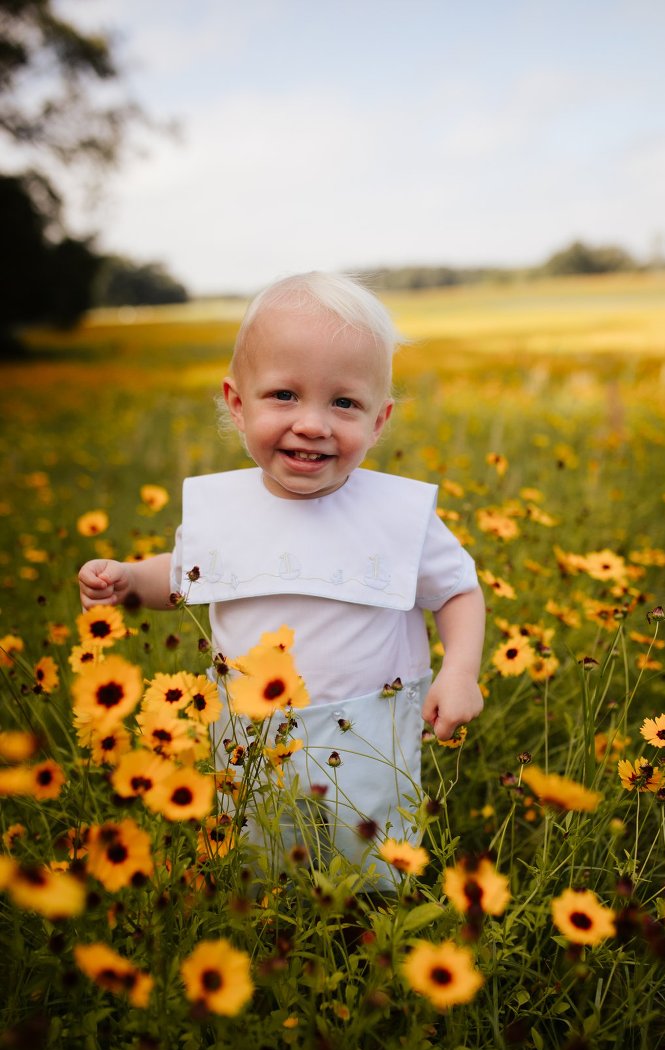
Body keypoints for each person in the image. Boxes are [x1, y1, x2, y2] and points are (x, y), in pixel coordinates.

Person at [79, 272, 485, 884]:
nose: (313, 423)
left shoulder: (396, 516)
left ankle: (367, 921)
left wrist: (459, 672)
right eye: (284, 396)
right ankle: (261, 911)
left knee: (368, 863)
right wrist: (130, 581)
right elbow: (184, 578)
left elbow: (457, 590)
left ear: (379, 421)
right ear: (238, 404)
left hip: (366, 735)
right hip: (251, 733)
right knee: (257, 856)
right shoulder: (224, 511)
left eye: (344, 402)